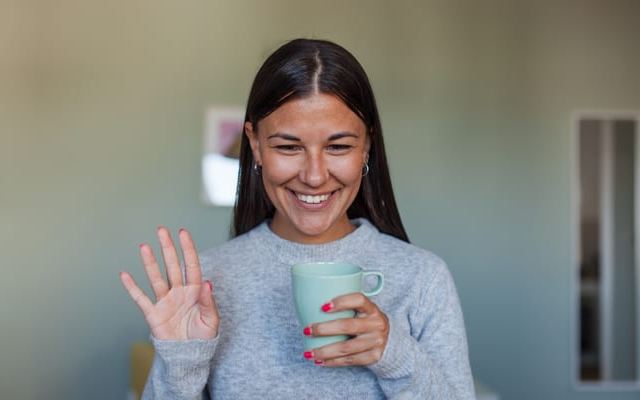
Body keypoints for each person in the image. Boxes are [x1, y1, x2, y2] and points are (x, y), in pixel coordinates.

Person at [119, 38, 476, 399]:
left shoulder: (423, 279)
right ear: (255, 145)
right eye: (288, 147)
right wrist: (181, 363)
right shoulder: (208, 285)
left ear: (366, 145)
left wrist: (395, 354)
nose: (315, 176)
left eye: (338, 146)